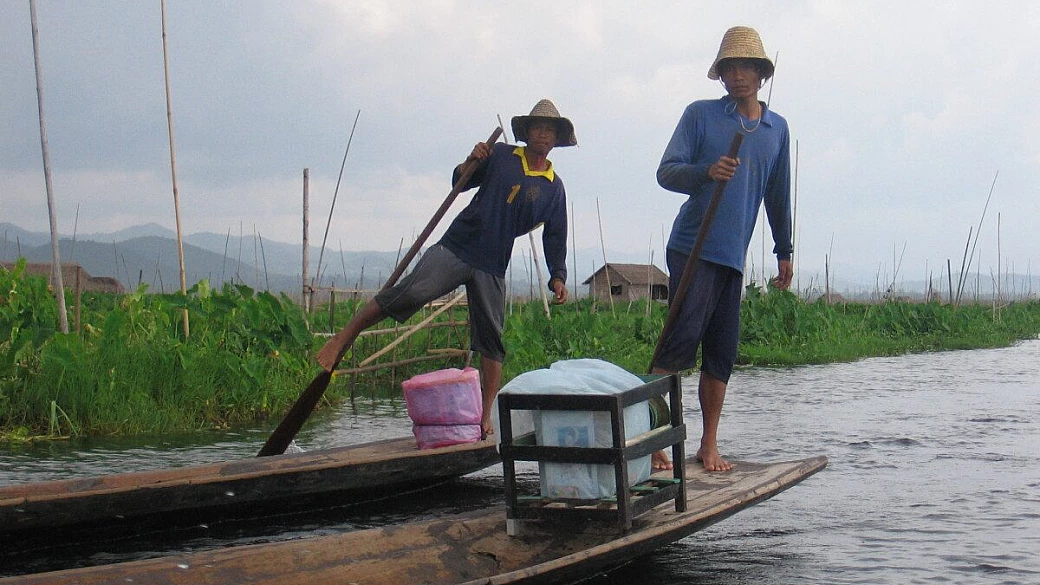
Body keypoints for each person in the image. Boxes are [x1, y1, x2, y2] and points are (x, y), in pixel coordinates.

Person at [316, 99, 574, 436]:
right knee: (408, 293)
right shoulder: (501, 156)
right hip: (458, 245)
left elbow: (556, 235)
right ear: (526, 132)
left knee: (491, 339)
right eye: (537, 127)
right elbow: (460, 181)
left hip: (493, 263)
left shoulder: (554, 188)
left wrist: (557, 276)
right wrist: (473, 158)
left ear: (556, 139)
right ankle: (342, 339)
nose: (542, 134)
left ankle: (484, 416)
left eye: (549, 130)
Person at [653, 26, 793, 472]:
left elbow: (777, 193)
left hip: (733, 255)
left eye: (745, 67)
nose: (737, 76)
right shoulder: (701, 116)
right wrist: (707, 171)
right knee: (677, 345)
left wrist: (783, 249)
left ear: (760, 73)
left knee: (721, 352)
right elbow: (667, 173)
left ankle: (707, 444)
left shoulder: (776, 130)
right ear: (721, 74)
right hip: (693, 247)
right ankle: (655, 441)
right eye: (729, 68)